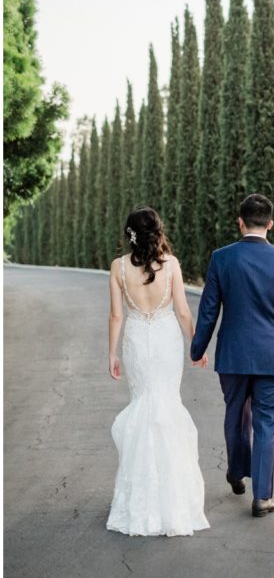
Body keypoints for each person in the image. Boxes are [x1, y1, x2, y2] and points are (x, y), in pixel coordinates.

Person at [190, 194, 274, 517]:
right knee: (266, 421)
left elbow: (208, 311)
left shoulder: (222, 258)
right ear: (270, 224)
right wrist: (271, 318)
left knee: (236, 414)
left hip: (233, 354)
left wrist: (197, 349)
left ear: (240, 222)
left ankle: (236, 472)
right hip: (271, 353)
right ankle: (263, 497)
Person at [106, 207, 210, 537]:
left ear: (130, 234)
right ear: (157, 232)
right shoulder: (172, 265)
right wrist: (197, 345)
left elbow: (116, 316)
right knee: (165, 407)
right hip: (165, 341)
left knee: (144, 407)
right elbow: (181, 311)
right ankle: (173, 499)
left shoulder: (118, 268)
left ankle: (142, 499)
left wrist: (111, 352)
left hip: (137, 340)